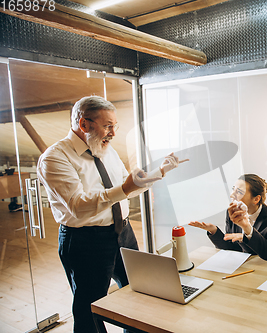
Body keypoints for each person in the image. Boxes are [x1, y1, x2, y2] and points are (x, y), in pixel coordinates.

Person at [37, 96, 185, 333]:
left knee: (138, 291)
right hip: (86, 241)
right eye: (107, 125)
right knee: (91, 307)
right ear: (84, 124)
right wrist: (126, 188)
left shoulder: (106, 149)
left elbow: (126, 187)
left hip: (123, 232)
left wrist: (159, 172)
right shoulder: (55, 157)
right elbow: (78, 205)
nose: (113, 133)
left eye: (114, 126)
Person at [189, 174, 267, 254]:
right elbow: (230, 248)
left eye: (239, 192)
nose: (232, 195)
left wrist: (245, 237)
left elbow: (266, 253)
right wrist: (214, 231)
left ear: (256, 199)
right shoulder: (233, 212)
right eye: (233, 189)